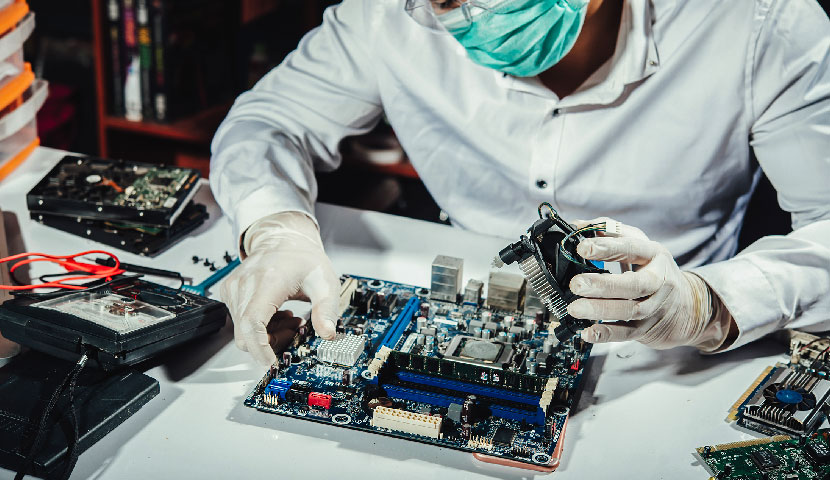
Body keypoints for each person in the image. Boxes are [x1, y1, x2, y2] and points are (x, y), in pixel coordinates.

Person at [211, 0, 830, 367]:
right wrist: (275, 229)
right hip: (455, 310)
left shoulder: (757, 22)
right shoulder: (385, 16)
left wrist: (705, 305)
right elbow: (268, 121)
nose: (473, 12)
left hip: (674, 352)